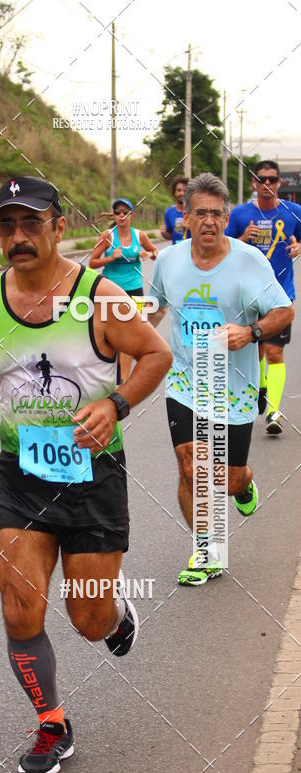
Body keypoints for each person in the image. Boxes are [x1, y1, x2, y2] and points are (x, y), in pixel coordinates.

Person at [0, 176, 172, 773]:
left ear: (57, 226)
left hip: (95, 477)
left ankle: (117, 615)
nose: (18, 237)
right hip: (21, 479)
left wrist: (116, 405)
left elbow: (156, 355)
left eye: (30, 223)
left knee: (88, 621)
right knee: (20, 610)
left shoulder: (100, 296)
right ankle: (52, 723)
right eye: (6, 226)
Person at [149, 172, 293, 586]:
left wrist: (250, 333)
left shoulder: (249, 260)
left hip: (235, 389)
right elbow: (154, 311)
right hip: (186, 381)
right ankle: (206, 550)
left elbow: (284, 312)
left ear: (226, 216)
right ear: (186, 217)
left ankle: (244, 482)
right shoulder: (169, 260)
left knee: (227, 479)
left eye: (216, 213)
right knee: (191, 464)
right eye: (200, 213)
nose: (209, 221)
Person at [225, 160, 301, 434]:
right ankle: (263, 386)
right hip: (246, 294)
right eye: (261, 179)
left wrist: (299, 247)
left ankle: (274, 412)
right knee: (254, 349)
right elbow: (223, 247)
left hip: (280, 294)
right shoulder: (240, 214)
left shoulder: (294, 212)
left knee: (274, 351)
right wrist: (243, 238)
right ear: (254, 183)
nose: (267, 184)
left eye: (272, 179)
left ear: (279, 182)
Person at [89, 198, 159, 378]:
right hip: (111, 289)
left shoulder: (140, 235)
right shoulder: (107, 236)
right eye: (117, 212)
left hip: (135, 289)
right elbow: (92, 263)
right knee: (110, 334)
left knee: (132, 333)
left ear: (131, 215)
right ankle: (109, 374)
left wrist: (148, 254)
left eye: (125, 212)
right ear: (114, 215)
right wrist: (110, 258)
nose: (121, 216)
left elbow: (156, 254)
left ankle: (123, 380)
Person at [161, 176, 190, 244]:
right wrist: (164, 233)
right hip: (176, 252)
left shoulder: (195, 211)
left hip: (192, 251)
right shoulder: (168, 212)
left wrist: (190, 228)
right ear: (174, 192)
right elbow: (171, 236)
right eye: (179, 190)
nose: (182, 193)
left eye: (185, 191)